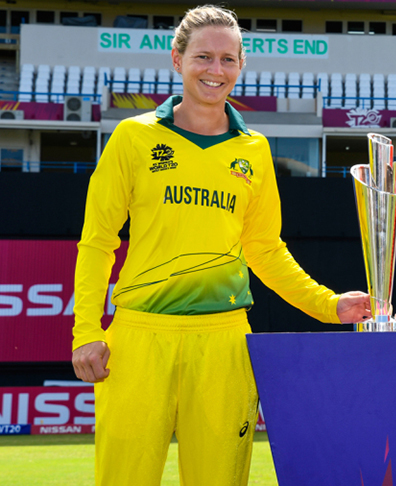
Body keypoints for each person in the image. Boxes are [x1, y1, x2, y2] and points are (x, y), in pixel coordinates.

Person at [71, 6, 370, 485]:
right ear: (177, 59)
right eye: (204, 57)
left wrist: (327, 304)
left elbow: (265, 249)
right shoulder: (133, 137)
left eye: (228, 59)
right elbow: (98, 242)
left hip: (224, 342)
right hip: (138, 337)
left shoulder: (254, 149)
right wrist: (86, 329)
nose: (216, 70)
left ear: (240, 66)